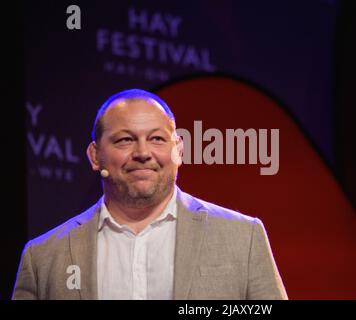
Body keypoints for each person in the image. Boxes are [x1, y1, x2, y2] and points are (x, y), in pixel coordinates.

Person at [12, 89, 288, 300]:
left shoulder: (243, 237)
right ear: (95, 156)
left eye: (157, 138)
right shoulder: (43, 258)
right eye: (125, 140)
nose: (143, 153)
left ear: (178, 151)